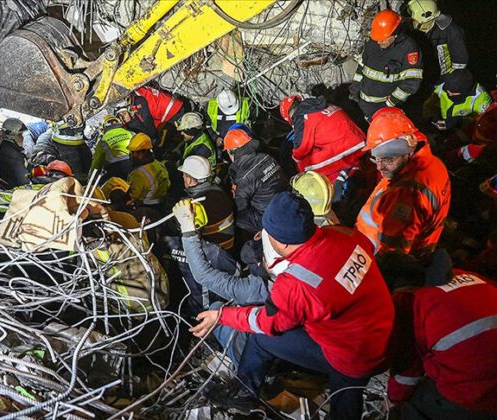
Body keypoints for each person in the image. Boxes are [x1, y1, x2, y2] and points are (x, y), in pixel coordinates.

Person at [190, 192, 395, 418]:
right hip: (383, 334)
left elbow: (267, 323)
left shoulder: (296, 285)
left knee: (262, 339)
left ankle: (243, 394)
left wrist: (221, 316)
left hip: (352, 356)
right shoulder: (343, 234)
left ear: (283, 241)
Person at [377, 254, 497, 419]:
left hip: (478, 394)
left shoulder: (408, 303)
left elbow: (408, 370)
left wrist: (393, 401)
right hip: (485, 369)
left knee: (407, 412)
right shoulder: (462, 274)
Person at [356, 108, 451, 258]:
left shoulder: (406, 194)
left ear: (408, 152)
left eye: (388, 159)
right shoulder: (433, 163)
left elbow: (392, 254)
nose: (380, 167)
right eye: (377, 159)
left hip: (372, 258)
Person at [167, 198, 267, 331]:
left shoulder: (166, 244)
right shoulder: (215, 252)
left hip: (177, 308)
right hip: (206, 312)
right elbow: (235, 274)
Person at [279, 95, 366, 198]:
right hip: (361, 140)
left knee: (304, 165)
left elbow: (301, 149)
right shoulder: (322, 104)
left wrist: (294, 158)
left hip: (350, 149)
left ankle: (338, 179)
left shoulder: (300, 116)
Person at [350, 9, 423, 120]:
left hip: (383, 108)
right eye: (377, 39)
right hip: (363, 103)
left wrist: (390, 103)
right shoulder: (375, 40)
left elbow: (411, 82)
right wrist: (355, 88)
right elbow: (362, 65)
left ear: (395, 34)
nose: (379, 42)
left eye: (383, 40)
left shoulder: (408, 49)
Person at [223, 128, 285, 239]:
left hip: (268, 216)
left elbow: (240, 206)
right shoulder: (266, 157)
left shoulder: (243, 178)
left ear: (232, 151)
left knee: (237, 217)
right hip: (283, 203)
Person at [178, 156, 234, 249]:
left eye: (184, 174)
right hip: (229, 245)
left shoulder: (193, 205)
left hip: (214, 252)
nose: (182, 177)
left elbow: (186, 234)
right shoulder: (219, 190)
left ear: (189, 179)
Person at [407, 0, 468, 78]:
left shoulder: (452, 32)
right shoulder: (414, 33)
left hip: (445, 78)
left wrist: (450, 81)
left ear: (425, 20)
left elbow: (460, 62)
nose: (411, 21)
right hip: (427, 76)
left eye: (414, 19)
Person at [117, 86, 185, 145]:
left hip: (173, 111)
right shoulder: (136, 92)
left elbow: (147, 122)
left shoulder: (138, 101)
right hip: (171, 106)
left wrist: (130, 122)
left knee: (186, 131)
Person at [126, 133, 170, 207]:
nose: (132, 155)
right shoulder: (158, 163)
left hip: (146, 204)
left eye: (134, 152)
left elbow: (133, 196)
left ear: (144, 151)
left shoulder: (139, 174)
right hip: (161, 200)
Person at [90, 114, 133, 180]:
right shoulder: (129, 132)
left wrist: (92, 176)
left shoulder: (103, 140)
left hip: (115, 168)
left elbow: (96, 160)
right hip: (132, 162)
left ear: (103, 128)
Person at [0, 117, 30, 188]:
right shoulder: (14, 156)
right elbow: (24, 181)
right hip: (12, 190)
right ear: (10, 136)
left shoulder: (1, 144)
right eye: (19, 135)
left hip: (1, 184)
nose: (22, 138)